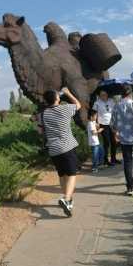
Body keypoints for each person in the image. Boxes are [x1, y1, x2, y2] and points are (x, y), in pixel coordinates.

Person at [42, 87, 81, 217]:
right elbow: (78, 105)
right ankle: (66, 198)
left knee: (62, 175)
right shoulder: (65, 109)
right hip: (66, 147)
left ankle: (68, 201)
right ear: (57, 98)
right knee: (72, 174)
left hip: (54, 149)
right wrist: (68, 93)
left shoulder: (45, 113)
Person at [93, 89, 121, 166]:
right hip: (103, 124)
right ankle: (105, 160)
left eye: (105, 94)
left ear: (107, 95)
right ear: (99, 95)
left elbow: (115, 110)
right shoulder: (97, 103)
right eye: (102, 95)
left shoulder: (111, 101)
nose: (103, 96)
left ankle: (113, 158)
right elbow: (95, 114)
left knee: (114, 142)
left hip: (112, 123)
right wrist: (96, 123)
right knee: (106, 142)